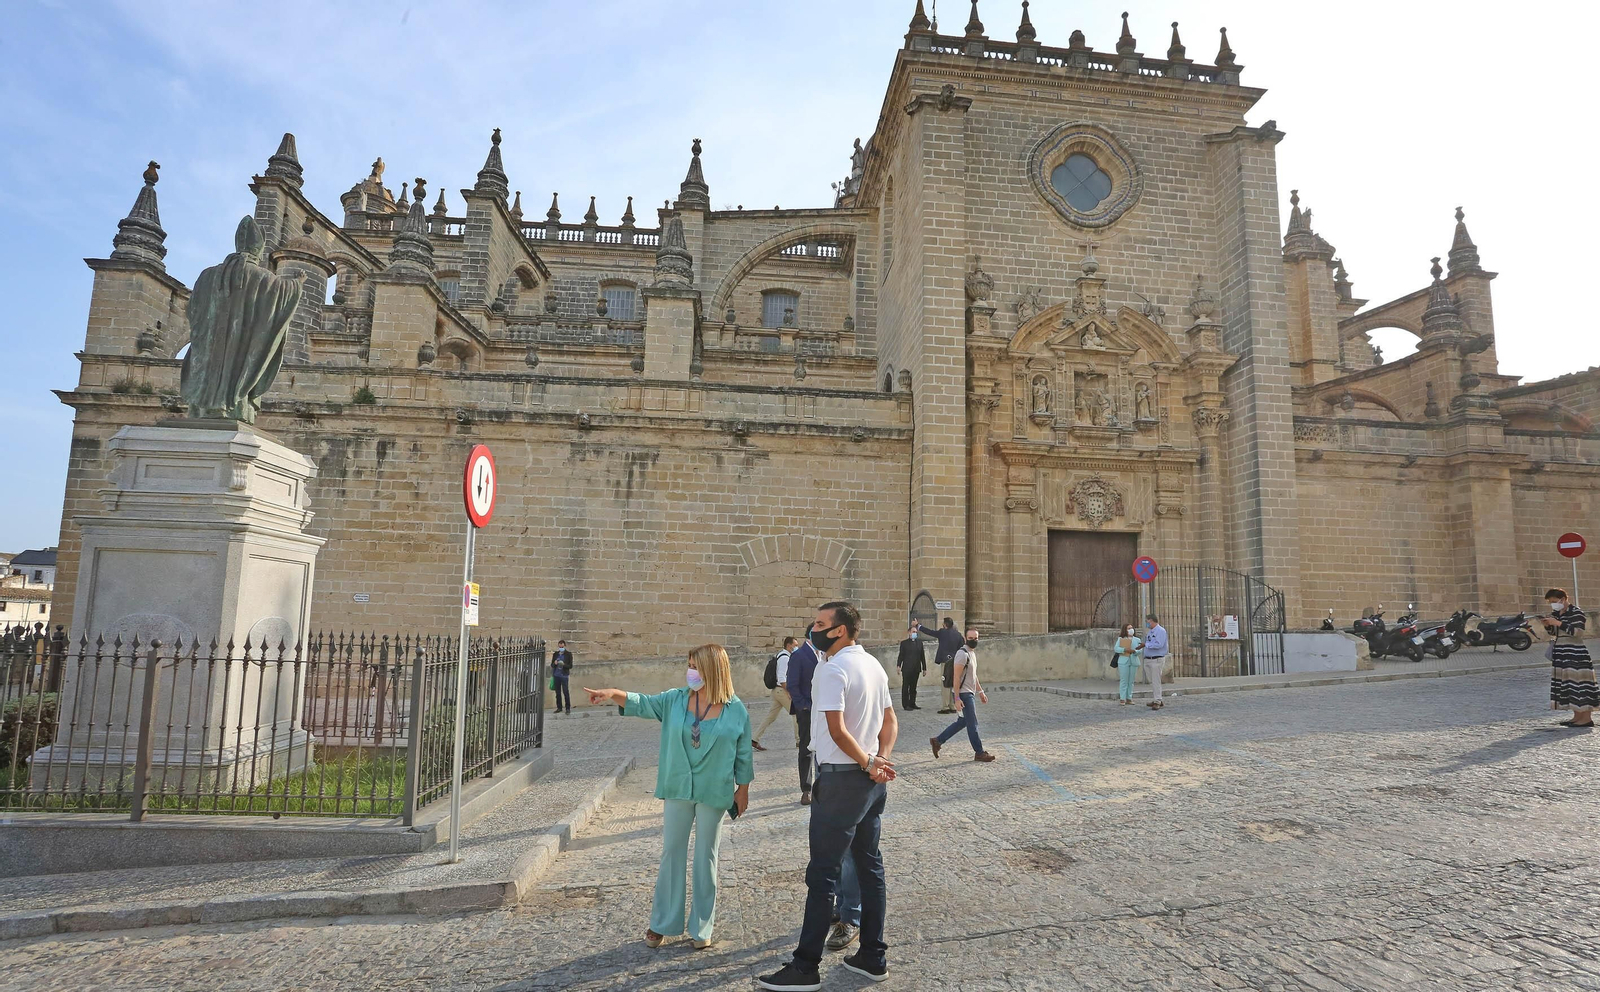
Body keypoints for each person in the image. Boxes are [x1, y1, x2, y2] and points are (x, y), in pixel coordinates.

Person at [758, 602, 897, 990]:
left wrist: (869, 761)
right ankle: (872, 955)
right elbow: (890, 719)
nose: (813, 629)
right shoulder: (872, 664)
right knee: (870, 866)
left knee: (822, 874)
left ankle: (805, 968)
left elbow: (835, 730)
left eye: (820, 624)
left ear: (839, 631)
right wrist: (880, 759)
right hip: (870, 782)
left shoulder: (832, 669)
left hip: (841, 781)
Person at [582, 644, 753, 950]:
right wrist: (612, 692)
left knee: (706, 859)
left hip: (715, 791)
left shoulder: (736, 709)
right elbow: (642, 703)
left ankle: (702, 927)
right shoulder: (675, 700)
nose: (690, 672)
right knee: (671, 854)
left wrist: (743, 789)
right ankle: (663, 922)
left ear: (713, 670)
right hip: (677, 786)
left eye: (695, 666)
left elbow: (743, 754)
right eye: (688, 665)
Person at [929, 629, 994, 761]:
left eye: (976, 638)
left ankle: (938, 741)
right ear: (965, 638)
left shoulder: (972, 654)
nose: (973, 640)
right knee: (972, 723)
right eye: (971, 638)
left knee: (963, 722)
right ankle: (979, 752)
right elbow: (956, 678)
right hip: (964, 695)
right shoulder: (962, 654)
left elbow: (973, 676)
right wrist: (957, 698)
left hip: (969, 693)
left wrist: (980, 691)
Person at [1540, 588, 1594, 728]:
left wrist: (1558, 623)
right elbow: (1556, 632)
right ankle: (1577, 716)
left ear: (1563, 599)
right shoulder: (1557, 613)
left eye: (1554, 601)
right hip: (1561, 652)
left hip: (1575, 652)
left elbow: (1578, 632)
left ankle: (1586, 718)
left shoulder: (1576, 612)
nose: (1553, 605)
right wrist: (1548, 626)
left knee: (1580, 685)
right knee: (1568, 685)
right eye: (1550, 602)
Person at [787, 631, 822, 805]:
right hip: (807, 710)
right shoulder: (799, 655)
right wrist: (803, 705)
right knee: (806, 748)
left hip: (824, 708)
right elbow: (792, 683)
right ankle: (806, 789)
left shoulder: (824, 654)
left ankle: (823, 786)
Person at [753, 637, 797, 752]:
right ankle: (799, 740)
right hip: (781, 691)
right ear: (789, 645)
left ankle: (754, 738)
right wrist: (789, 692)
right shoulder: (785, 658)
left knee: (771, 716)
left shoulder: (781, 655)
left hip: (777, 691)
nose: (796, 647)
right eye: (795, 645)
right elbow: (782, 677)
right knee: (796, 714)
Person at [916, 617, 966, 714]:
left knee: (945, 684)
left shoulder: (942, 632)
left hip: (945, 661)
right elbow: (962, 648)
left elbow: (930, 632)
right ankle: (952, 706)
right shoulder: (958, 635)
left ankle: (945, 706)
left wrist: (918, 626)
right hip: (955, 661)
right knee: (952, 682)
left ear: (945, 625)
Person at [895, 627, 926, 710]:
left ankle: (912, 703)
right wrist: (898, 665)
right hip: (907, 668)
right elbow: (901, 655)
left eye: (916, 632)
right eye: (913, 631)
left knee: (913, 687)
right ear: (909, 632)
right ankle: (905, 704)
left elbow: (922, 656)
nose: (915, 633)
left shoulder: (919, 643)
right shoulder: (904, 643)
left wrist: (924, 668)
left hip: (916, 668)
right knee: (906, 687)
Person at [1143, 614, 1169, 709]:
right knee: (1151, 681)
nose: (1147, 623)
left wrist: (1146, 645)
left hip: (1156, 659)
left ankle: (1157, 700)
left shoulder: (1160, 631)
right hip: (1148, 659)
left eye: (1148, 621)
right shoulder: (1150, 632)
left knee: (1156, 681)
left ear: (1152, 621)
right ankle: (1157, 699)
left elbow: (1159, 644)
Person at [1112, 623, 1142, 705]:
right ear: (1125, 630)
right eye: (1129, 628)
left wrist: (1135, 651)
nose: (1131, 630)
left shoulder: (1137, 639)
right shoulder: (1121, 639)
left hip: (1133, 661)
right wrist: (1124, 649)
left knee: (1131, 681)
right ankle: (1122, 698)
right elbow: (1116, 648)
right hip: (1123, 661)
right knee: (1124, 680)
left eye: (1131, 628)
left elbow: (1140, 650)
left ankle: (1129, 697)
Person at [550, 639, 573, 714]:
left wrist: (564, 664)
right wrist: (555, 663)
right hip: (556, 675)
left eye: (562, 646)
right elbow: (552, 665)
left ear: (564, 645)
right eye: (559, 646)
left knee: (566, 691)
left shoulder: (568, 654)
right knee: (558, 693)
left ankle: (567, 708)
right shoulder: (555, 654)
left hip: (564, 675)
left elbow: (570, 666)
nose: (561, 647)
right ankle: (559, 707)